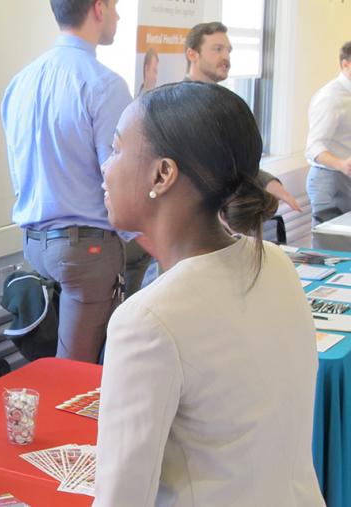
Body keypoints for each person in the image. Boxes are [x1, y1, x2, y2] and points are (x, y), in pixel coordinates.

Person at [93, 82, 323, 506]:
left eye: (115, 149)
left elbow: (121, 498)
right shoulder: (274, 263)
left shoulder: (147, 320)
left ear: (162, 174)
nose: (104, 168)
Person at [1, 0, 129, 363]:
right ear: (99, 8)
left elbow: (19, 169)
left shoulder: (19, 83)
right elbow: (118, 181)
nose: (118, 15)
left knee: (58, 368)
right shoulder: (105, 85)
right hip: (84, 252)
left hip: (35, 246)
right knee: (75, 375)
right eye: (117, 6)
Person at [184, 21, 301, 212]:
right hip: (195, 215)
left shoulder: (228, 104)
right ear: (192, 54)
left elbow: (236, 161)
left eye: (228, 51)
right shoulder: (177, 106)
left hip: (228, 215)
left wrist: (268, 183)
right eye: (217, 49)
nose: (226, 57)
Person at [305, 41, 351, 227]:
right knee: (332, 249)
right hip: (331, 180)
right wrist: (341, 164)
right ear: (345, 64)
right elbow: (313, 146)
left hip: (346, 179)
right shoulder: (330, 98)